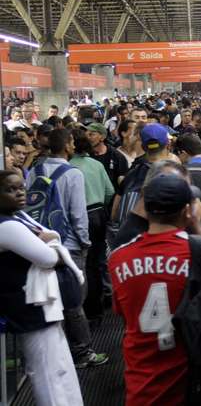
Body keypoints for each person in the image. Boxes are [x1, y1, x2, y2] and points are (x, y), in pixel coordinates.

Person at [109, 173, 201, 406]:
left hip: (143, 386)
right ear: (186, 211)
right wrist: (198, 227)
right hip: (196, 382)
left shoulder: (118, 258)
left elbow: (123, 312)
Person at [0, 170, 84, 406]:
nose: (19, 193)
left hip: (39, 305)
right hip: (30, 307)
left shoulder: (16, 218)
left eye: (20, 188)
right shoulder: (6, 226)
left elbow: (53, 236)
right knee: (49, 373)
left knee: (59, 367)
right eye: (10, 189)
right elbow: (47, 256)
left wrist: (52, 242)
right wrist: (54, 246)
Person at [27, 128, 109, 369]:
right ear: (67, 145)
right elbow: (77, 213)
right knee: (74, 301)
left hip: (40, 243)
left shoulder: (35, 171)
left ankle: (55, 352)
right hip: (68, 245)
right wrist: (84, 242)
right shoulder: (73, 173)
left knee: (48, 297)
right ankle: (83, 352)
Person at [69, 129, 115, 322]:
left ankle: (85, 309)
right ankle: (97, 309)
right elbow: (110, 191)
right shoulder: (96, 165)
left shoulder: (68, 168)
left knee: (82, 264)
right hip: (99, 214)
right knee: (97, 261)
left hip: (80, 215)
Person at [86, 122, 129, 189]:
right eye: (87, 134)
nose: (88, 137)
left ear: (102, 137)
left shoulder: (116, 156)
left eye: (92, 134)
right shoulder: (85, 154)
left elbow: (123, 181)